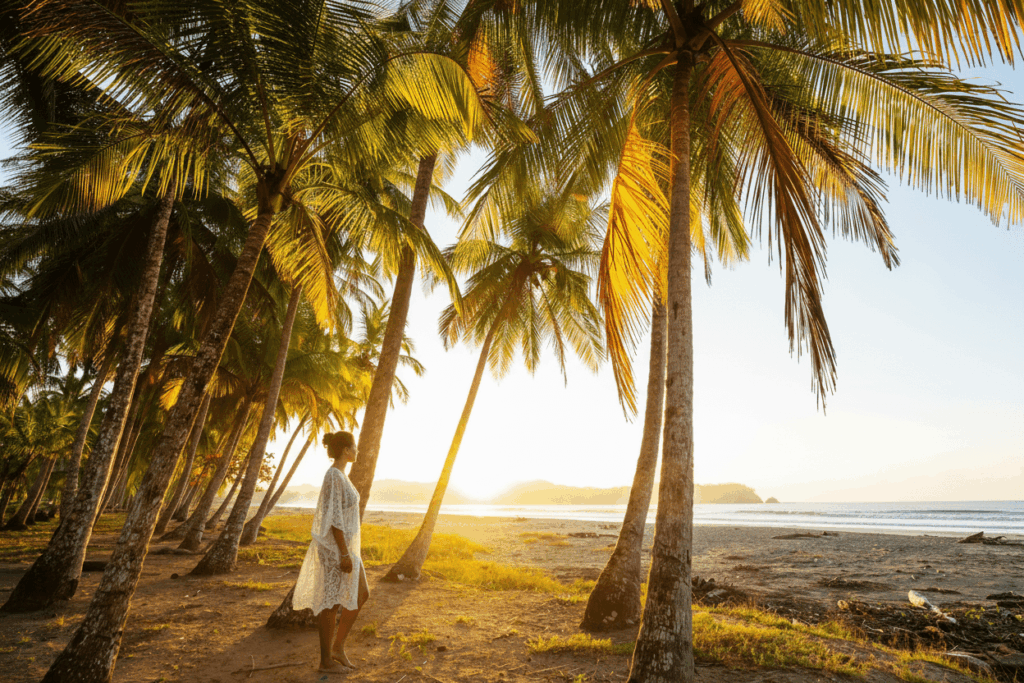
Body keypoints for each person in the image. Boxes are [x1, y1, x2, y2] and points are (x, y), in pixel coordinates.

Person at [293, 430, 369, 675]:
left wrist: (348, 551)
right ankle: (326, 661)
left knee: (361, 594)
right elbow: (334, 518)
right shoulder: (334, 475)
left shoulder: (340, 476)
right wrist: (344, 553)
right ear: (346, 450)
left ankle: (337, 648)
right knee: (331, 602)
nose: (356, 450)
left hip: (345, 548)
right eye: (354, 446)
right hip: (336, 549)